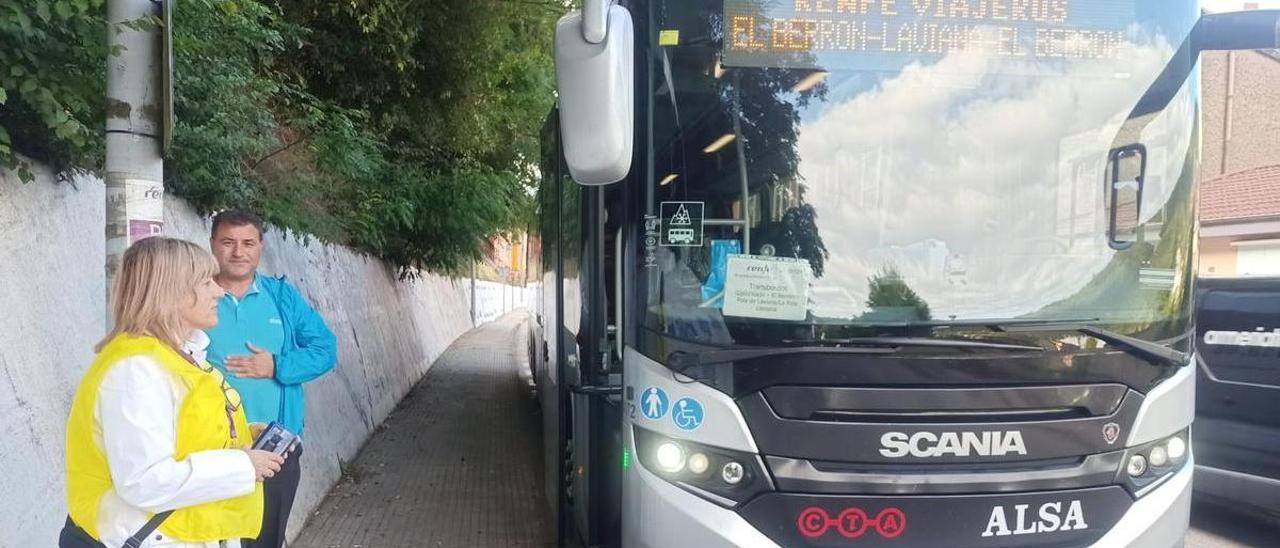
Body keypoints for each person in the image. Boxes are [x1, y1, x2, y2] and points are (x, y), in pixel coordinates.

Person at [62, 237, 285, 548]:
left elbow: (180, 438)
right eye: (206, 282)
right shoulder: (137, 370)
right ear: (172, 291)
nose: (218, 291)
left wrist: (243, 438)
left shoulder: (176, 356)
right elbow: (144, 480)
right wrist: (243, 464)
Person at [206, 210, 338, 548]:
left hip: (274, 446)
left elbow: (325, 348)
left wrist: (277, 366)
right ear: (212, 245)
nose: (238, 252)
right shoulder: (196, 296)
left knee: (266, 540)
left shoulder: (281, 297)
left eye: (248, 243)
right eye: (228, 242)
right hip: (211, 447)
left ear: (260, 247)